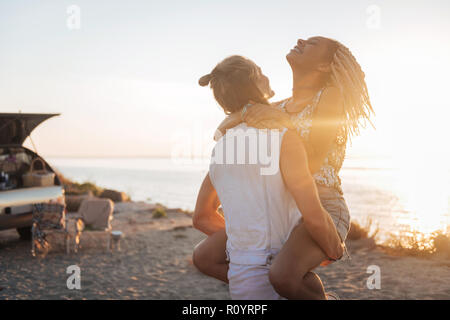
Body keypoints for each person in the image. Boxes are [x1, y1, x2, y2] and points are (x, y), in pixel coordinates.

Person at [193, 37, 373, 299]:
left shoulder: (329, 97)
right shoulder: (276, 107)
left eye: (312, 43)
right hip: (282, 211)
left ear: (324, 66)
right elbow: (223, 129)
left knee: (283, 276)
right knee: (205, 257)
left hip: (323, 207)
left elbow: (310, 162)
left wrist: (277, 122)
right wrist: (251, 241)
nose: (300, 40)